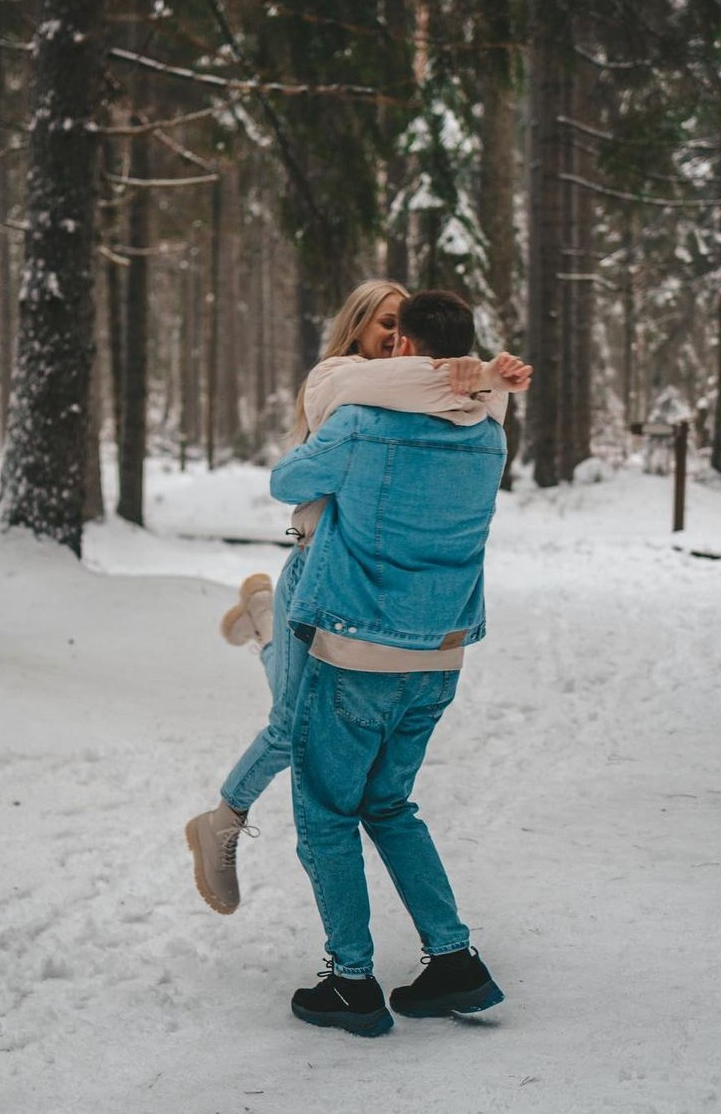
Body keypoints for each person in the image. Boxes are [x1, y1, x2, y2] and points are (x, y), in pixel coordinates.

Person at [185, 281, 528, 917]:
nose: (395, 338)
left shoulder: (423, 391)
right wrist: (472, 374)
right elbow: (307, 464)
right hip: (320, 579)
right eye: (385, 324)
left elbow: (454, 399)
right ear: (359, 331)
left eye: (404, 327)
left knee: (297, 723)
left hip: (348, 597)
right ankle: (223, 820)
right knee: (294, 729)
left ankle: (263, 625)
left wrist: (469, 374)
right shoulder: (343, 380)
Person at [268, 290, 521, 1037]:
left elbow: (287, 483)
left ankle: (351, 981)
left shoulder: (358, 422)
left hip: (353, 649)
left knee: (324, 814)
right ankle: (453, 961)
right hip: (439, 657)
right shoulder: (490, 435)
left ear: (404, 350)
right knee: (388, 805)